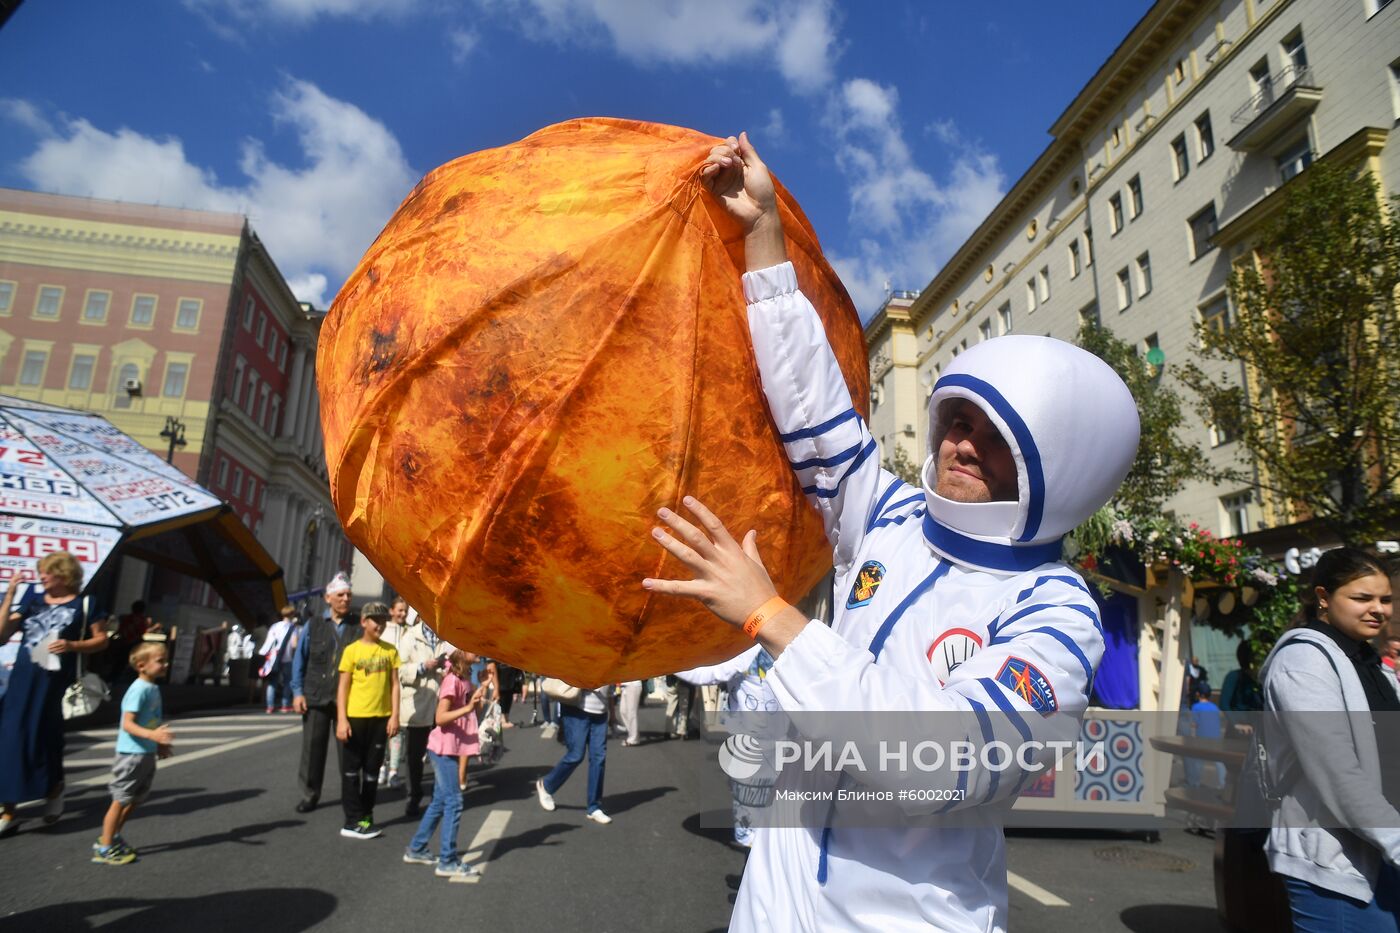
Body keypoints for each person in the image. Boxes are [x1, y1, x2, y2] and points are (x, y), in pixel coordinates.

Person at [639, 133, 1140, 932]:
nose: (962, 443)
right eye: (958, 418)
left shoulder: (1057, 612)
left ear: (1062, 466)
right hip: (777, 906)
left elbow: (946, 761)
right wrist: (763, 234)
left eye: (998, 437)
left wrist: (774, 619)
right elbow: (814, 409)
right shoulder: (894, 514)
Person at [1258, 548, 1400, 932]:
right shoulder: (1304, 661)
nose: (1378, 609)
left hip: (1381, 851)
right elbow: (1337, 773)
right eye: (1362, 598)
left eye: (1385, 599)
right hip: (1335, 861)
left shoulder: (1369, 664)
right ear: (1323, 597)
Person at [0, 553, 110, 837]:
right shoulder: (31, 601)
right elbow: (1, 636)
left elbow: (101, 640)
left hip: (55, 683)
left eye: (47, 572)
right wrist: (10, 594)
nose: (41, 576)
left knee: (45, 738)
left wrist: (72, 644)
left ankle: (54, 788)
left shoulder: (85, 604)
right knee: (11, 739)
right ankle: (8, 808)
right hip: (22, 680)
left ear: (63, 574)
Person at [676, 644, 781, 847]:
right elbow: (709, 673)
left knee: (754, 799)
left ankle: (753, 845)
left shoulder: (751, 648)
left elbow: (708, 674)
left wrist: (664, 664)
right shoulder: (760, 647)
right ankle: (756, 845)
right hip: (766, 737)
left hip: (759, 738)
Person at [404, 650, 486, 880]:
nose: (480, 650)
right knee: (454, 802)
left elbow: (474, 713)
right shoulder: (451, 681)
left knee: (440, 802)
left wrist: (481, 689)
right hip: (443, 749)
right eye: (474, 647)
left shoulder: (464, 679)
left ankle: (417, 848)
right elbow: (440, 718)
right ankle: (448, 861)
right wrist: (467, 708)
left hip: (452, 748)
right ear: (461, 654)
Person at [92, 642, 175, 865]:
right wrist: (153, 737)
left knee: (135, 799)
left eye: (165, 660)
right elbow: (127, 724)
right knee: (120, 800)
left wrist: (159, 745)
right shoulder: (138, 690)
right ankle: (105, 846)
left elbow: (151, 721)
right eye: (160, 661)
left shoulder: (153, 688)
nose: (165, 664)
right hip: (131, 755)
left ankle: (114, 835)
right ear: (141, 665)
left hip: (145, 754)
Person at [289, 572, 361, 813]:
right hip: (317, 694)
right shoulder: (314, 625)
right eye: (340, 595)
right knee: (312, 748)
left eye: (349, 595)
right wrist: (298, 692)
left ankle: (350, 794)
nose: (345, 599)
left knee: (349, 749)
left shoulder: (358, 625)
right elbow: (301, 658)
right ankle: (310, 794)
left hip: (348, 699)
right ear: (328, 598)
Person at [335, 601, 400, 840]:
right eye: (375, 621)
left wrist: (394, 715)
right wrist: (342, 720)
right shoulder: (352, 651)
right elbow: (343, 688)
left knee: (372, 772)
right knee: (351, 772)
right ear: (364, 622)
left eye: (384, 621)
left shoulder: (390, 651)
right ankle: (351, 821)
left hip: (380, 720)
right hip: (355, 718)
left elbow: (395, 685)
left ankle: (366, 815)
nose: (380, 625)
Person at [535, 681, 615, 824]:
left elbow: (610, 687)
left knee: (599, 758)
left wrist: (612, 713)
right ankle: (546, 785)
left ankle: (594, 807)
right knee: (576, 755)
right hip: (576, 709)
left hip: (601, 712)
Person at [396, 603, 446, 816]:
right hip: (416, 704)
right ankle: (413, 796)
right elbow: (399, 669)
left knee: (441, 753)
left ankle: (439, 796)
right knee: (414, 756)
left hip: (440, 704)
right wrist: (422, 667)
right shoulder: (410, 637)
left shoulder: (445, 638)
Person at [378, 597, 409, 789]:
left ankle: (394, 771)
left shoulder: (408, 632)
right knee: (381, 730)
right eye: (399, 610)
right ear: (391, 611)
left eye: (404, 611)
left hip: (403, 688)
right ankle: (381, 766)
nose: (402, 614)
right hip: (382, 687)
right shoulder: (383, 631)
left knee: (397, 731)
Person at [258, 606, 300, 713]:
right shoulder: (292, 628)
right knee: (288, 681)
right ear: (292, 615)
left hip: (273, 658)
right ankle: (285, 705)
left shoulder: (274, 626)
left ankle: (270, 706)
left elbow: (268, 642)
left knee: (272, 682)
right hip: (287, 658)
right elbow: (294, 644)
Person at [615, 679, 644, 746]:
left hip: (633, 684)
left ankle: (633, 738)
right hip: (624, 685)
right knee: (623, 711)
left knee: (631, 712)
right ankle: (633, 733)